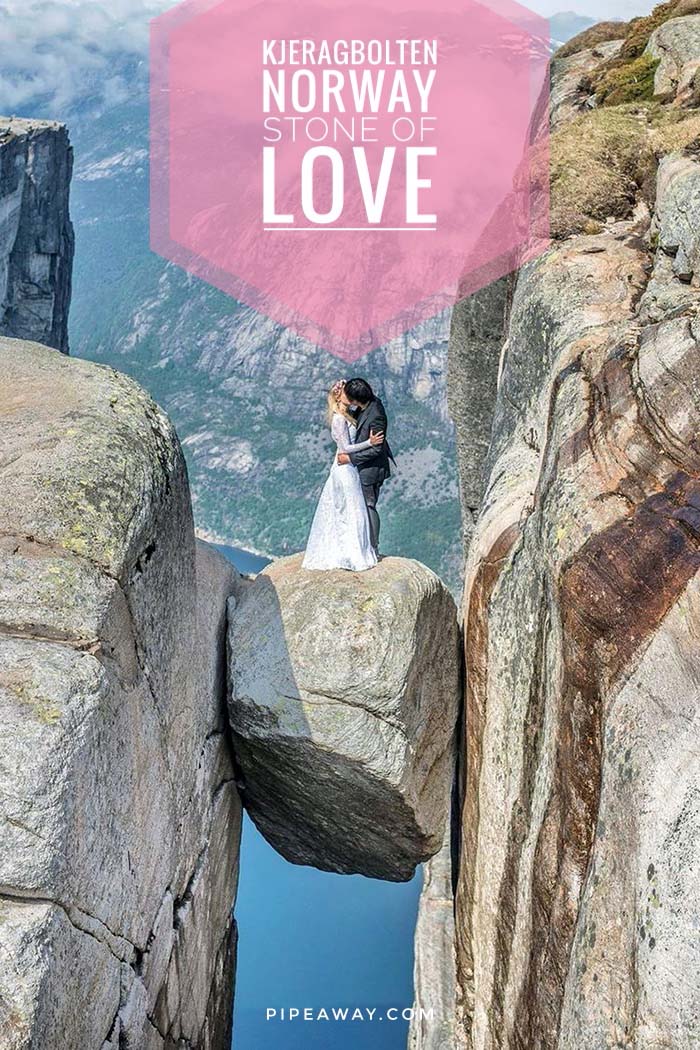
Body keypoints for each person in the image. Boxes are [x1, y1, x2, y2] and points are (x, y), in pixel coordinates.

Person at [302, 381, 386, 571]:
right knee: (351, 507)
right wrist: (370, 443)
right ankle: (356, 550)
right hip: (345, 467)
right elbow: (345, 448)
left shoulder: (350, 413)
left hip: (350, 466)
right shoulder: (340, 418)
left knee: (355, 507)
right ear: (340, 396)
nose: (347, 393)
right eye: (345, 392)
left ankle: (363, 547)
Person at [336, 377, 394, 556]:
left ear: (355, 400)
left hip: (371, 470)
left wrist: (350, 458)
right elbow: (354, 418)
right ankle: (363, 544)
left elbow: (375, 450)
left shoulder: (376, 415)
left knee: (369, 505)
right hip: (362, 468)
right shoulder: (367, 405)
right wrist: (342, 390)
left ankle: (373, 548)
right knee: (360, 506)